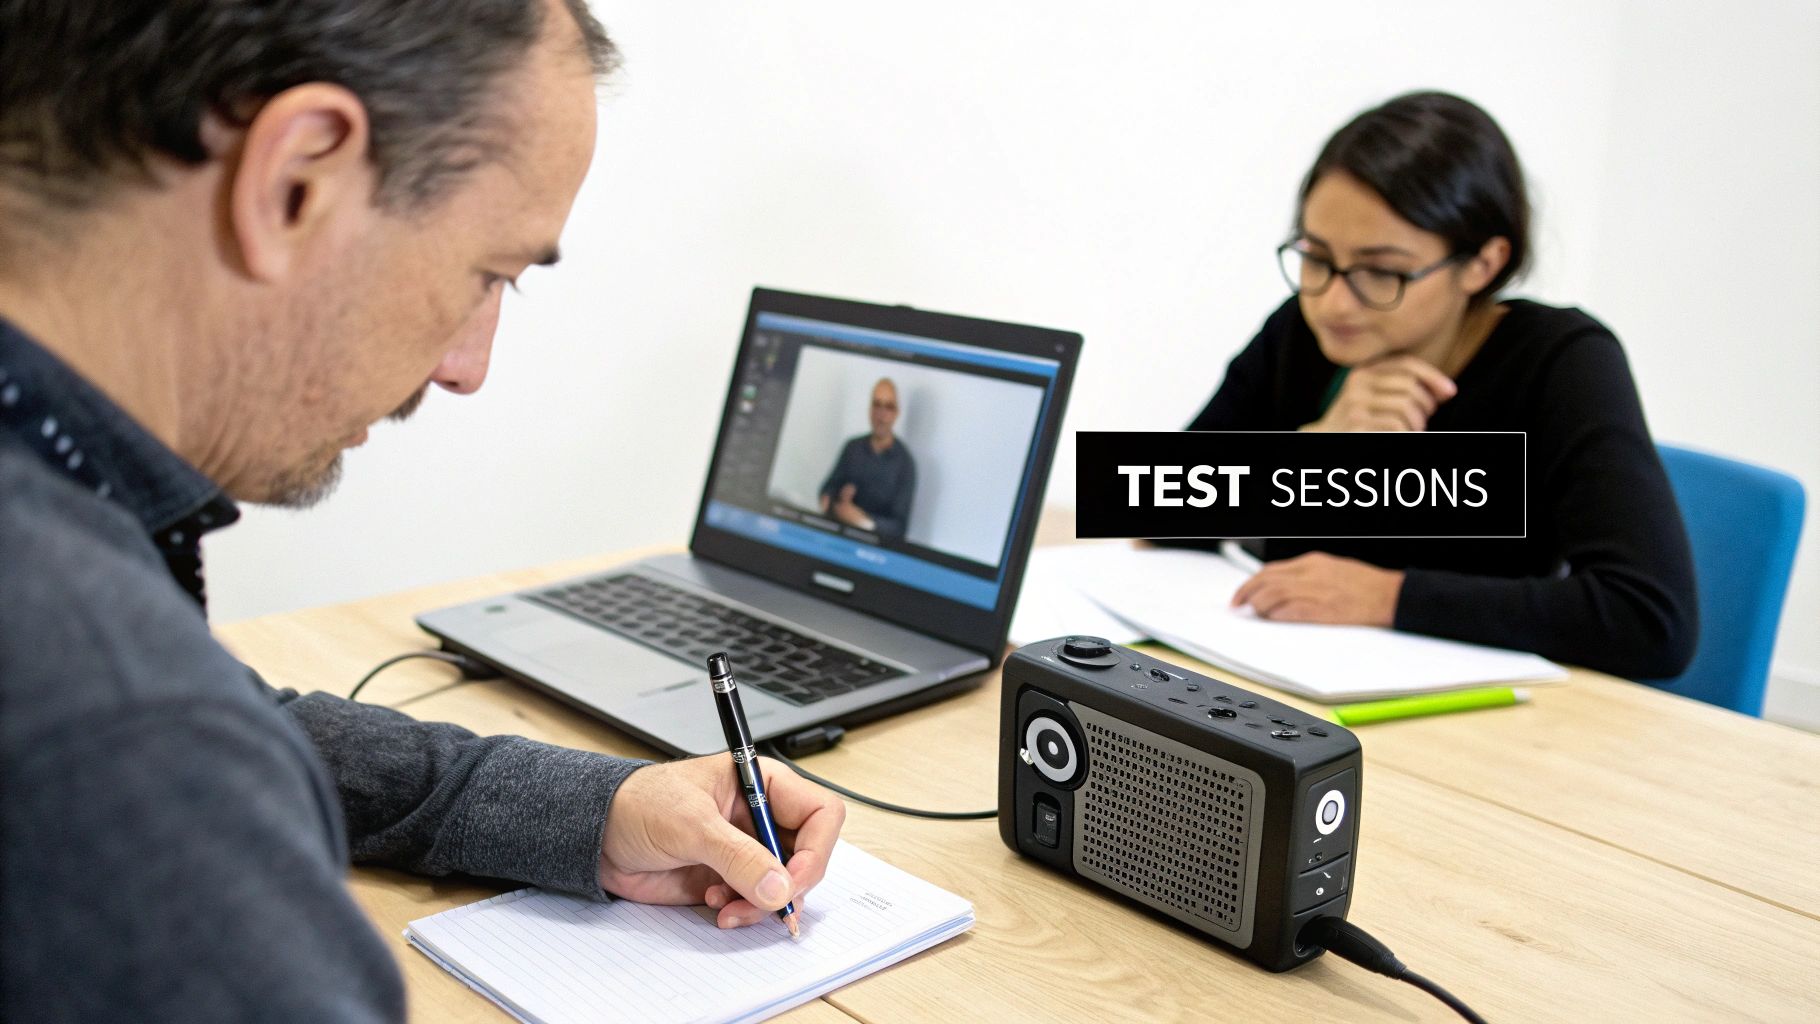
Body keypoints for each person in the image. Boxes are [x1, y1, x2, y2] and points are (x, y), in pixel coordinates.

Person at [0, 3, 844, 1020]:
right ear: (294, 179)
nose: (467, 369)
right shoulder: (106, 723)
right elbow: (158, 736)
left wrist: (593, 808)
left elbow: (241, 722)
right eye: (487, 273)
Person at [1184, 91, 1697, 680]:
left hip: (1479, 715)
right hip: (1285, 682)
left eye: (1382, 271)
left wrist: (1386, 598)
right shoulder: (1301, 333)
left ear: (1482, 263)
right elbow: (1148, 505)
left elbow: (1651, 619)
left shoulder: (1561, 362)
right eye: (1316, 257)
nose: (1332, 298)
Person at [818, 376, 917, 539]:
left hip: (871, 553)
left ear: (896, 413)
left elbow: (899, 527)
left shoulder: (905, 464)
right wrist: (835, 500)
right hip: (836, 538)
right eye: (877, 405)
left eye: (889, 407)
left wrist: (863, 522)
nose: (881, 414)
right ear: (869, 409)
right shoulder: (852, 447)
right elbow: (827, 489)